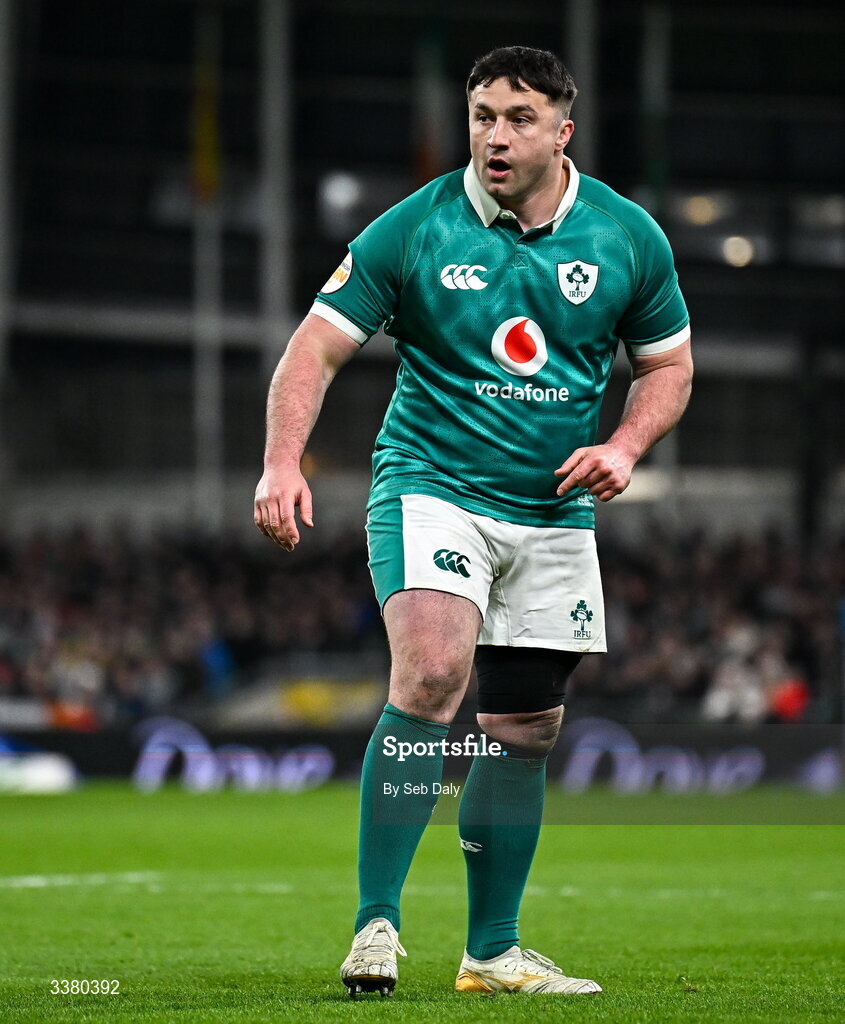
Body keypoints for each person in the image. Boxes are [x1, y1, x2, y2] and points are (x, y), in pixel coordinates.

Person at [255, 45, 693, 998]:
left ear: (561, 131)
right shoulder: (413, 228)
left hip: (552, 508)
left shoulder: (626, 237)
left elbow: (668, 366)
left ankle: (491, 953)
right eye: (483, 115)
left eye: (519, 118)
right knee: (431, 673)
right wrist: (282, 462)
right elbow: (313, 351)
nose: (496, 135)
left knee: (524, 726)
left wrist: (622, 447)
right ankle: (377, 923)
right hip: (430, 483)